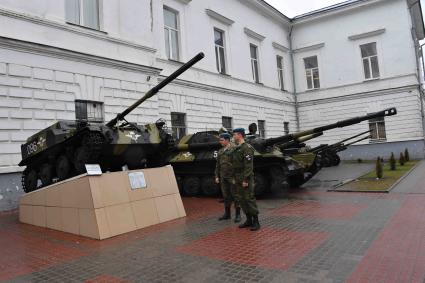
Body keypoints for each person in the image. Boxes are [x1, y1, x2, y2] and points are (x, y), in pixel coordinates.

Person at [232, 128, 260, 231]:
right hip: (238, 177)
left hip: (245, 177)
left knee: (249, 198)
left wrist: (246, 180)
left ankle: (256, 221)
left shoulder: (247, 148)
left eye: (234, 135)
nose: (233, 137)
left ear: (239, 135)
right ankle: (249, 220)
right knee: (241, 199)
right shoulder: (237, 148)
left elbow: (248, 166)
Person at [215, 132, 241, 222]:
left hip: (232, 177)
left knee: (236, 195)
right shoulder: (220, 151)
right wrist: (216, 176)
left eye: (221, 140)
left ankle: (238, 215)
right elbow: (218, 165)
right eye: (220, 140)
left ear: (227, 140)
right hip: (223, 177)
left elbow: (239, 164)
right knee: (226, 196)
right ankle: (227, 214)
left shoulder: (234, 149)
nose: (220, 142)